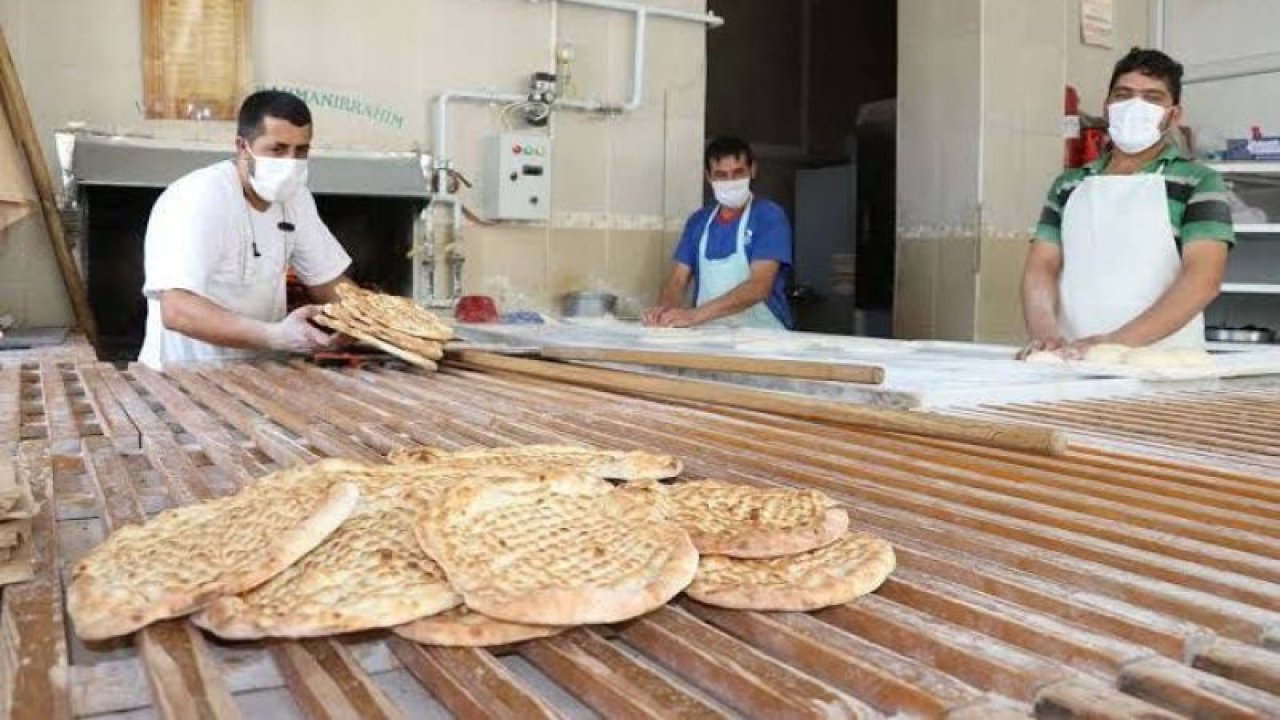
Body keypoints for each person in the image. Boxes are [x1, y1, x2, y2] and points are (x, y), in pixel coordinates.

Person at [1020, 48, 1234, 359]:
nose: (1136, 106)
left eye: (1152, 97)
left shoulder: (1198, 183)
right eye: (1124, 94)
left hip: (1162, 365)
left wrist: (1113, 344)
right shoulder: (1068, 184)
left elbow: (1202, 280)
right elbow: (1041, 266)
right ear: (1107, 107)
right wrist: (1045, 336)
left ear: (1174, 115)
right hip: (1070, 362)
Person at [138, 91, 354, 369]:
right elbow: (177, 310)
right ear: (242, 146)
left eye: (301, 151)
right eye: (277, 149)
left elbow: (328, 282)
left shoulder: (296, 198)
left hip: (259, 376)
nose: (290, 162)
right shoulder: (198, 197)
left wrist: (378, 324)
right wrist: (276, 336)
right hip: (185, 376)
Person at [643, 136, 794, 329]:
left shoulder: (768, 216)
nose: (730, 181)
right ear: (709, 177)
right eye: (721, 175)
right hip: (709, 336)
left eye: (738, 173)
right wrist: (664, 311)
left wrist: (695, 315)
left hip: (761, 337)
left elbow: (759, 286)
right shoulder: (699, 221)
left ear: (752, 169)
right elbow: (677, 280)